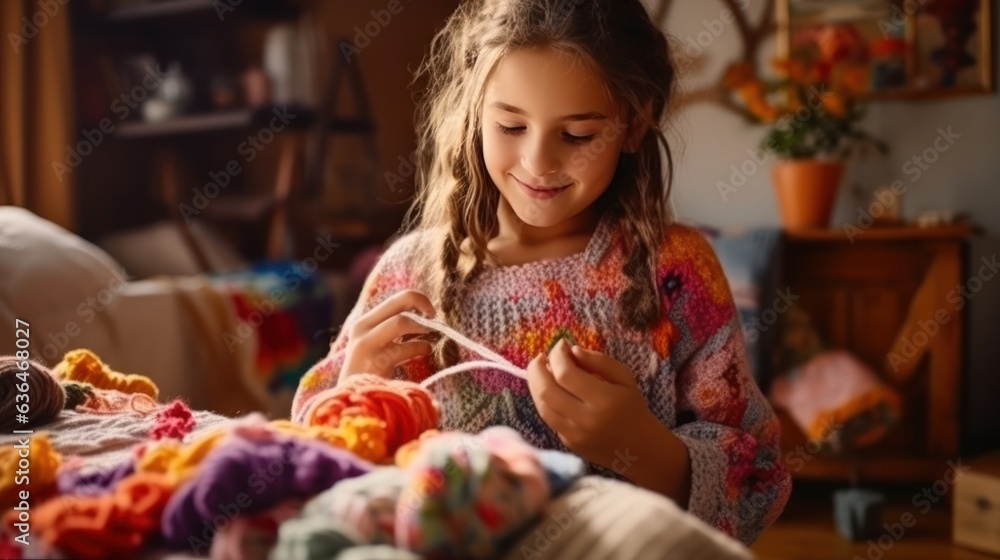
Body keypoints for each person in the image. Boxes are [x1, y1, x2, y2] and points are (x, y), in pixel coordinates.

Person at [292, 0, 790, 545]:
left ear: (637, 121)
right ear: (474, 110)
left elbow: (761, 479)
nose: (538, 161)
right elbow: (309, 465)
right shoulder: (408, 274)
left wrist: (645, 448)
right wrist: (355, 391)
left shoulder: (674, 271)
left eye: (577, 135)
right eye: (510, 125)